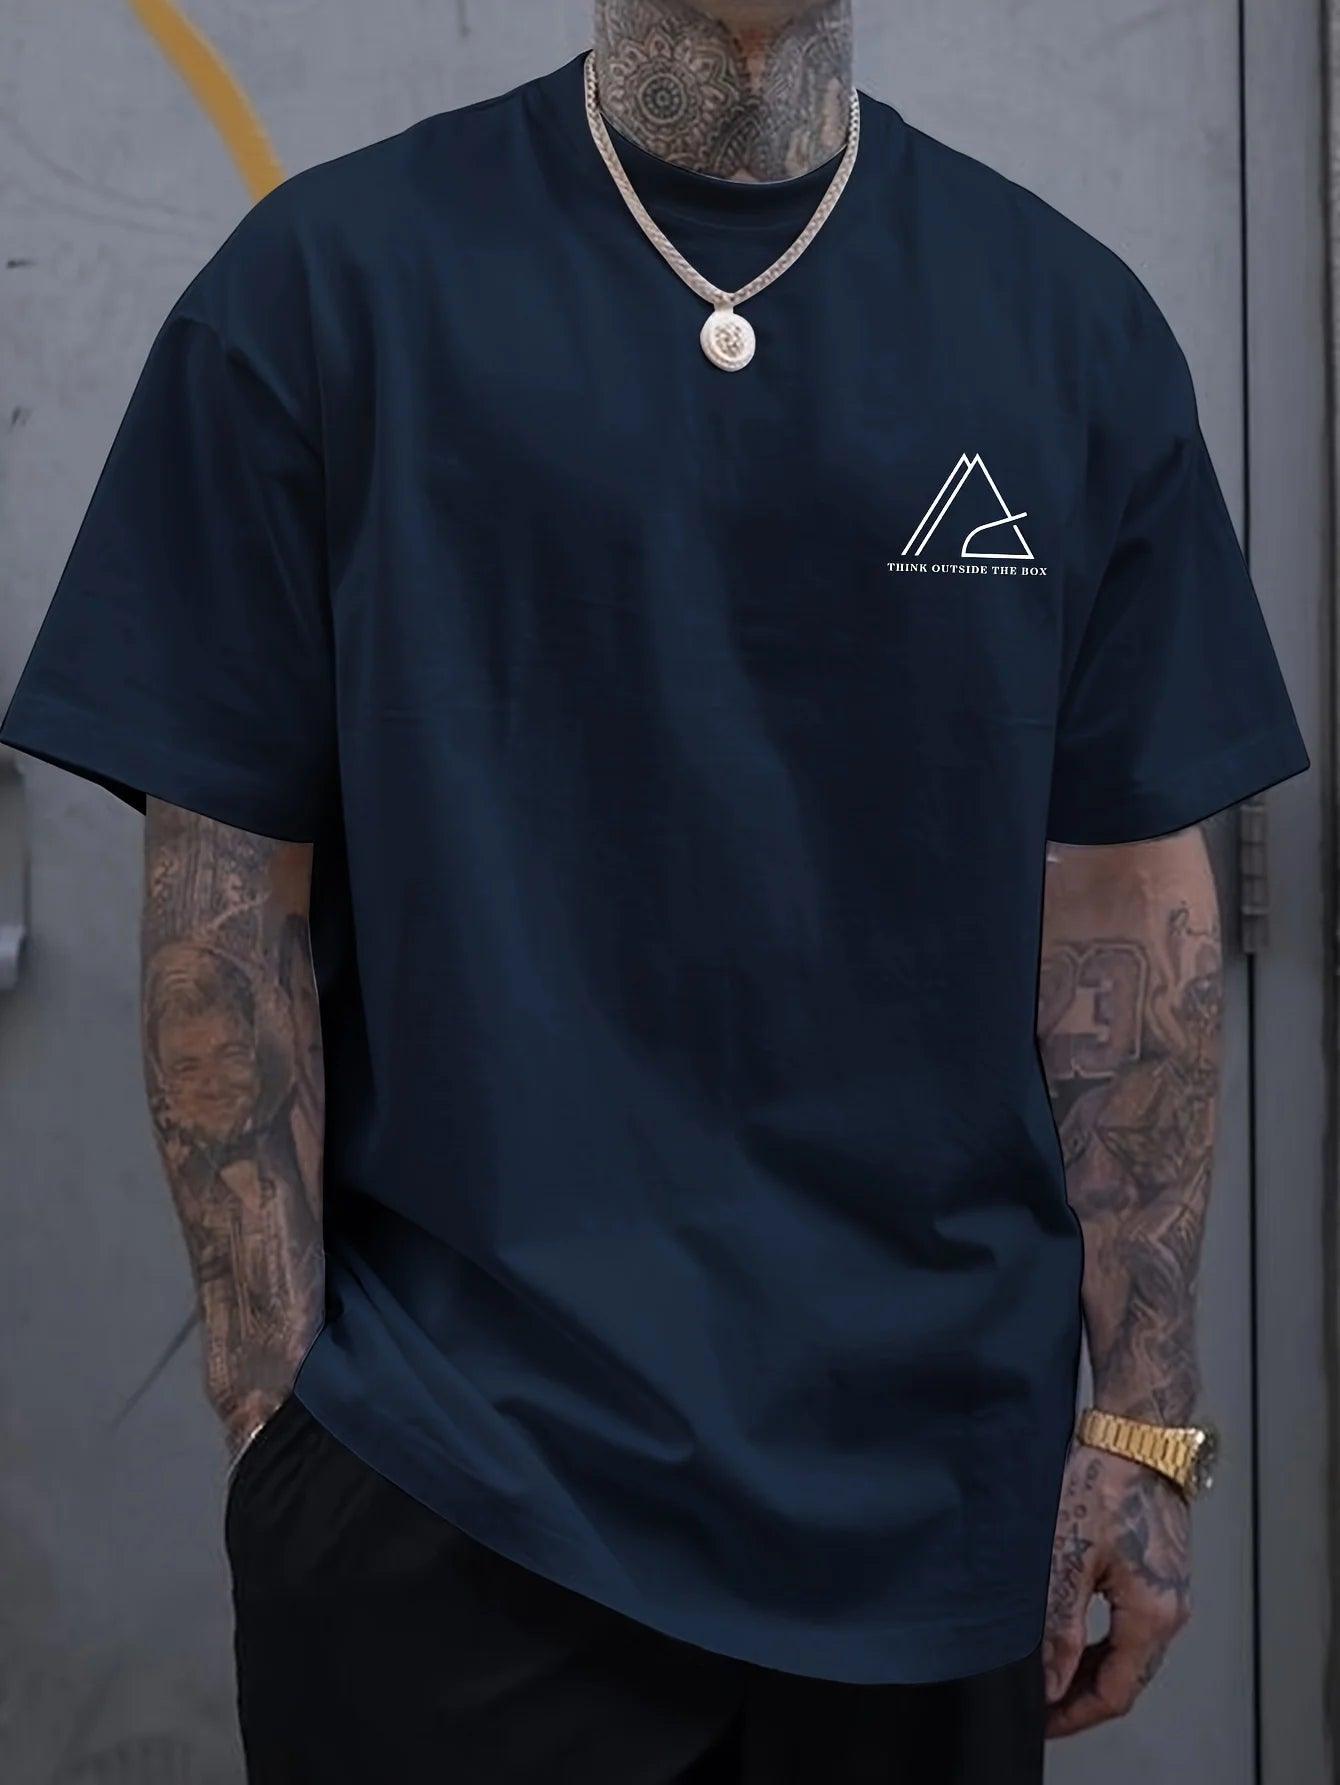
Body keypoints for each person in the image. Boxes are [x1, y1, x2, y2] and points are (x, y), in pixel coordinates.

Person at [0, 1, 1309, 1779]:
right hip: (453, 1510)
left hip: (933, 1525)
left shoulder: (1070, 332)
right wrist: (276, 1421)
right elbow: (225, 907)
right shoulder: (323, 293)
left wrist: (1147, 1425)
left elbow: (1127, 908)